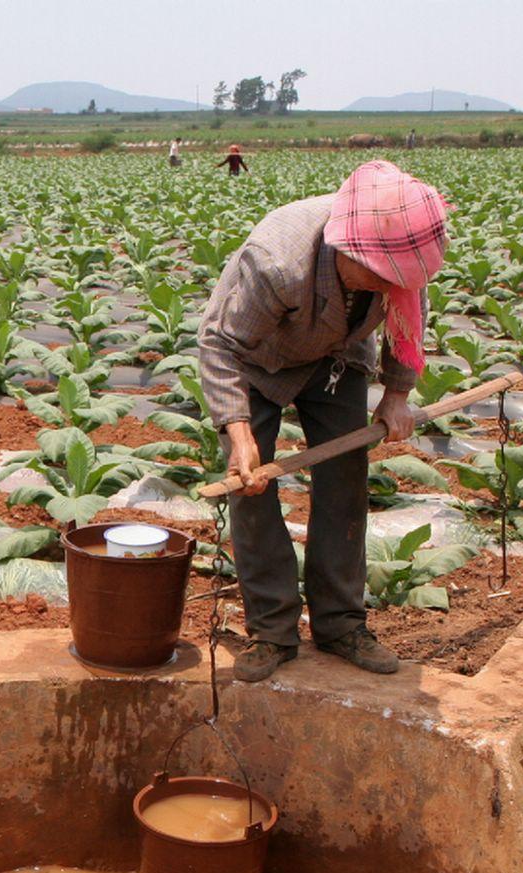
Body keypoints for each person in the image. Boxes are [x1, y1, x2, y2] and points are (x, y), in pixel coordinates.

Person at [198, 160, 449, 682]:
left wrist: (397, 394)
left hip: (336, 356)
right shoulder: (277, 261)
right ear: (347, 250)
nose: (392, 284)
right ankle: (271, 631)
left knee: (345, 483)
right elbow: (219, 344)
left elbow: (408, 317)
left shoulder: (401, 263)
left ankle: (340, 624)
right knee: (252, 487)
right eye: (380, 275)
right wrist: (239, 433)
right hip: (256, 363)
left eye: (398, 277)